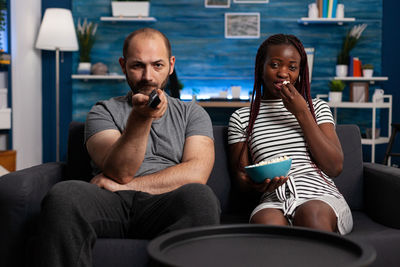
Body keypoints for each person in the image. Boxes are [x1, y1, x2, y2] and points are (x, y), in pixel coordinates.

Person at [35, 28, 220, 266]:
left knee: (200, 197)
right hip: (110, 203)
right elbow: (120, 172)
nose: (148, 76)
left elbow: (197, 173)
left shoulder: (192, 113)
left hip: (164, 202)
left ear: (171, 65)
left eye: (157, 65)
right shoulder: (103, 111)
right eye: (137, 66)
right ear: (123, 65)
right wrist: (140, 119)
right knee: (63, 195)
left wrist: (127, 186)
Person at [228, 34, 353, 235]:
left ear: (300, 73)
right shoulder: (242, 117)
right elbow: (241, 178)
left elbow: (334, 166)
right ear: (261, 68)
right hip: (272, 200)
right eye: (275, 65)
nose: (283, 73)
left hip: (320, 196)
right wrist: (255, 184)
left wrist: (302, 112)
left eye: (292, 67)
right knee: (266, 222)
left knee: (311, 213)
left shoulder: (316, 108)